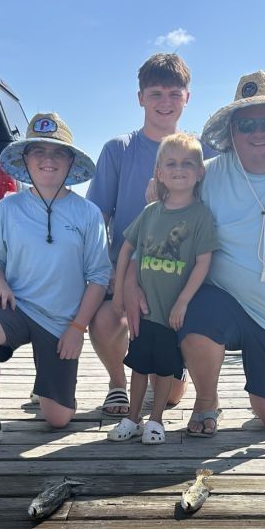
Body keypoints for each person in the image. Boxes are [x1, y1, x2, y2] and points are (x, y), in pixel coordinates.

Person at [127, 70, 265, 437]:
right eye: (246, 124)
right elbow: (161, 223)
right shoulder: (208, 175)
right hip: (223, 300)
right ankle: (206, 399)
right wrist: (134, 281)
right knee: (197, 319)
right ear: (231, 131)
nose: (258, 132)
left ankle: (223, 378)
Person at [0, 113, 111, 454]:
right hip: (18, 308)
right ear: (25, 159)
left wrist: (77, 328)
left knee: (58, 418)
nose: (48, 159)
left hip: (61, 322)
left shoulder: (88, 213)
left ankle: (45, 384)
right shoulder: (9, 207)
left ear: (71, 161)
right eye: (38, 151)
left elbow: (98, 277)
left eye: (58, 152)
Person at [87, 53, 199, 418]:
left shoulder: (200, 152)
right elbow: (97, 220)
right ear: (140, 98)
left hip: (178, 278)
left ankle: (175, 371)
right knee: (105, 319)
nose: (165, 102)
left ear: (187, 97)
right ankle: (117, 382)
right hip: (127, 272)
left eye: (174, 93)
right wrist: (114, 276)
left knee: (171, 398)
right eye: (155, 94)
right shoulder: (118, 150)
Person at [107, 132, 218, 445]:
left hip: (172, 314)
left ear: (200, 172)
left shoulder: (201, 216)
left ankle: (156, 419)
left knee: (166, 369)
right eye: (171, 163)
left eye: (187, 163)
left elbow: (203, 262)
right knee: (139, 365)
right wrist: (120, 292)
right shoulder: (150, 212)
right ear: (159, 172)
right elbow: (127, 249)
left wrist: (183, 301)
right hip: (144, 311)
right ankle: (133, 418)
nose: (179, 169)